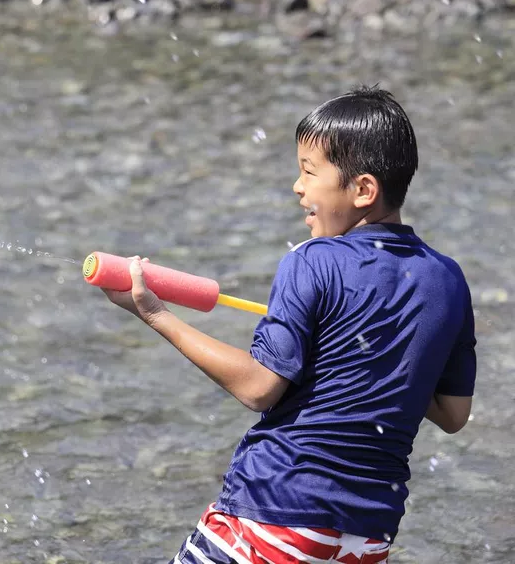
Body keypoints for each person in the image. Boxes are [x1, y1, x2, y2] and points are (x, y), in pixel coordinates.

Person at [102, 85, 476, 564]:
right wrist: (377, 354)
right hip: (366, 539)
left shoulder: (313, 261)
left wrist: (156, 315)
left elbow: (259, 389)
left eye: (308, 172)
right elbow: (452, 414)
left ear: (363, 190)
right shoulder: (448, 279)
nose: (298, 187)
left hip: (271, 515)